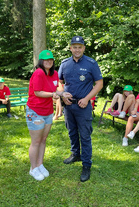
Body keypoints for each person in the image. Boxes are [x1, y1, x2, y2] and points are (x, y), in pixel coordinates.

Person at [58, 36, 103, 182]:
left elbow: (99, 84)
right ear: (70, 48)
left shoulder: (91, 63)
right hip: (69, 105)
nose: (77, 49)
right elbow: (59, 82)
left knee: (85, 135)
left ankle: (86, 165)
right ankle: (75, 154)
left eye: (80, 47)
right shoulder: (64, 64)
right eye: (74, 47)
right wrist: (63, 95)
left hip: (83, 106)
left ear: (83, 48)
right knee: (71, 132)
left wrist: (87, 98)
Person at [26, 50, 72, 181]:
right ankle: (33, 168)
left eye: (51, 60)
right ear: (41, 61)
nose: (49, 61)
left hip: (47, 112)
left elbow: (56, 89)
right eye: (46, 60)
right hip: (35, 111)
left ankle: (40, 164)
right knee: (36, 141)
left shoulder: (54, 74)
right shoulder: (38, 73)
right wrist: (53, 95)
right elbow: (38, 92)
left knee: (43, 139)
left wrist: (63, 94)